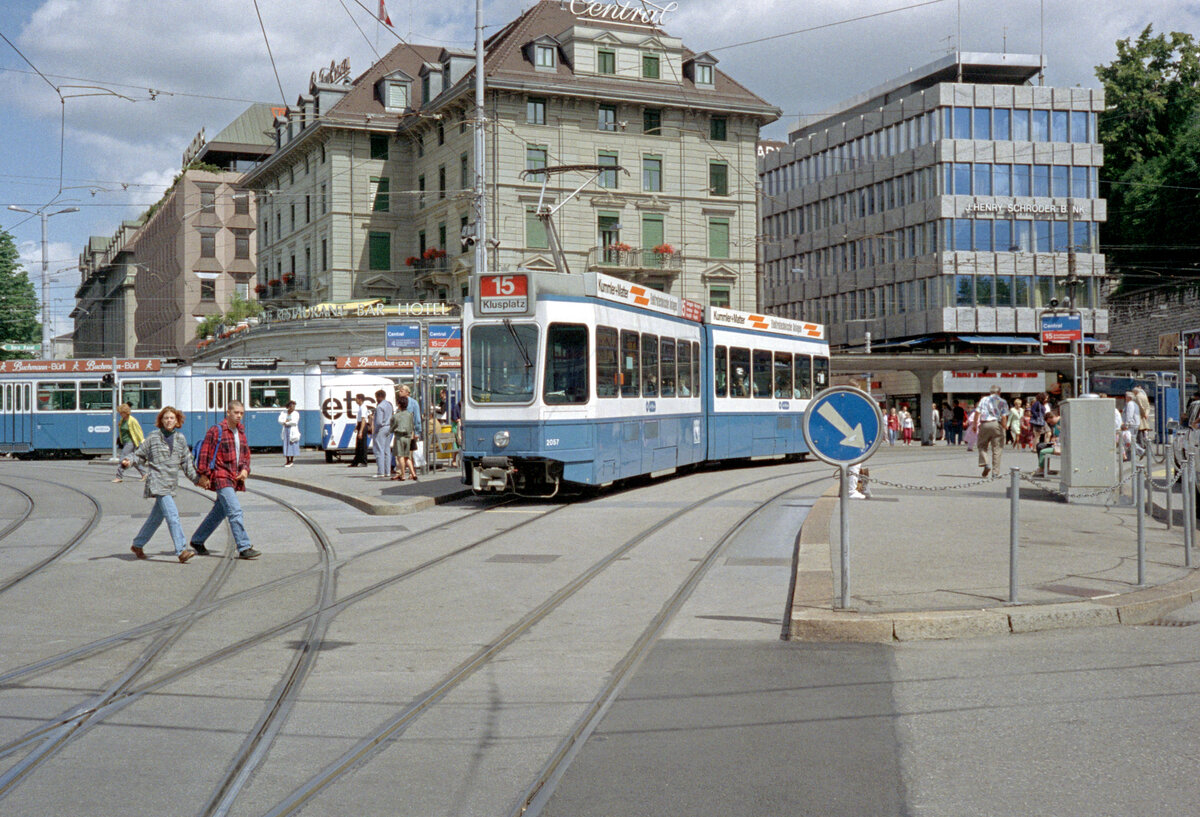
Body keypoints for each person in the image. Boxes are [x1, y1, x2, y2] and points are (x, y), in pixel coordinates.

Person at [125, 406, 203, 563]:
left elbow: (187, 463)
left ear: (177, 421)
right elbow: (139, 455)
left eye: (172, 418)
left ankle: (138, 544)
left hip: (170, 484)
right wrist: (129, 461)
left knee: (156, 518)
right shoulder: (153, 437)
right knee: (173, 516)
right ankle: (181, 550)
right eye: (166, 418)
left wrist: (197, 480)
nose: (169, 420)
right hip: (157, 482)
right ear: (161, 420)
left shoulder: (180, 439)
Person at [189, 400, 260, 560]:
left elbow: (245, 455)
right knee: (235, 510)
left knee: (219, 511)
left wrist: (245, 470)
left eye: (242, 413)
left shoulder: (241, 432)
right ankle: (244, 546)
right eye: (236, 412)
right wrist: (204, 474)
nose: (239, 416)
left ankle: (198, 540)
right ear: (228, 412)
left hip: (234, 477)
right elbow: (205, 454)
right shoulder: (216, 430)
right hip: (221, 476)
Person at [974, 385, 1008, 477]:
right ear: (999, 392)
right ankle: (995, 472)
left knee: (981, 445)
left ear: (990, 392)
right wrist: (1004, 427)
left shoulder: (984, 399)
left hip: (984, 424)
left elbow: (977, 412)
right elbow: (1004, 416)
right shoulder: (1003, 401)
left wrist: (974, 425)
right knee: (997, 449)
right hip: (997, 424)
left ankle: (986, 463)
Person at [113, 403, 147, 483]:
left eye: (122, 413)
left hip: (130, 442)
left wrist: (142, 441)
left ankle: (119, 476)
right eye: (120, 413)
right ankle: (144, 474)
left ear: (126, 412)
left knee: (123, 458)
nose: (120, 414)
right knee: (134, 461)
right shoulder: (122, 420)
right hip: (125, 442)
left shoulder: (132, 420)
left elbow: (138, 431)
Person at [389, 394, 418, 481]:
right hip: (408, 437)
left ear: (399, 404)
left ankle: (403, 475)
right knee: (407, 457)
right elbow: (412, 425)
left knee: (400, 456)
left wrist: (390, 431)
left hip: (399, 437)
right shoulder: (410, 415)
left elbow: (392, 427)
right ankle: (413, 473)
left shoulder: (396, 416)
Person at [372, 388, 394, 479]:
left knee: (379, 450)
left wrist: (375, 431)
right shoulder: (389, 405)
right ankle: (387, 471)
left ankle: (380, 472)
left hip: (382, 428)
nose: (376, 399)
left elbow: (379, 422)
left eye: (376, 397)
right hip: (389, 427)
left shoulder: (380, 407)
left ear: (379, 397)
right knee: (387, 450)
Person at [347, 393, 370, 467]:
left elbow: (363, 419)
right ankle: (356, 461)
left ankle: (364, 461)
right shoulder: (360, 407)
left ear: (360, 399)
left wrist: (361, 431)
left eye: (356, 399)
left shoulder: (363, 407)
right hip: (360, 425)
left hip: (363, 426)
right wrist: (357, 427)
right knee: (358, 445)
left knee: (362, 445)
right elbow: (360, 419)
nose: (355, 400)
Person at [278, 399, 300, 467]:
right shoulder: (284, 413)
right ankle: (287, 461)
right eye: (292, 406)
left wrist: (286, 422)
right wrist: (285, 422)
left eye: (294, 406)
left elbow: (294, 422)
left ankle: (291, 461)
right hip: (286, 430)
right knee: (286, 445)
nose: (293, 408)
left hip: (292, 430)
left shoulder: (296, 413)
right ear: (288, 407)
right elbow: (279, 420)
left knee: (292, 445)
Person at [1122, 390, 1142, 460]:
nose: (1125, 398)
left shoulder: (1130, 404)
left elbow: (1129, 415)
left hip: (1132, 425)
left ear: (1129, 397)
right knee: (1131, 440)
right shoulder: (1134, 404)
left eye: (1126, 397)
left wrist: (1126, 424)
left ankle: (1141, 451)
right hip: (1135, 424)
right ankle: (1130, 457)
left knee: (1129, 440)